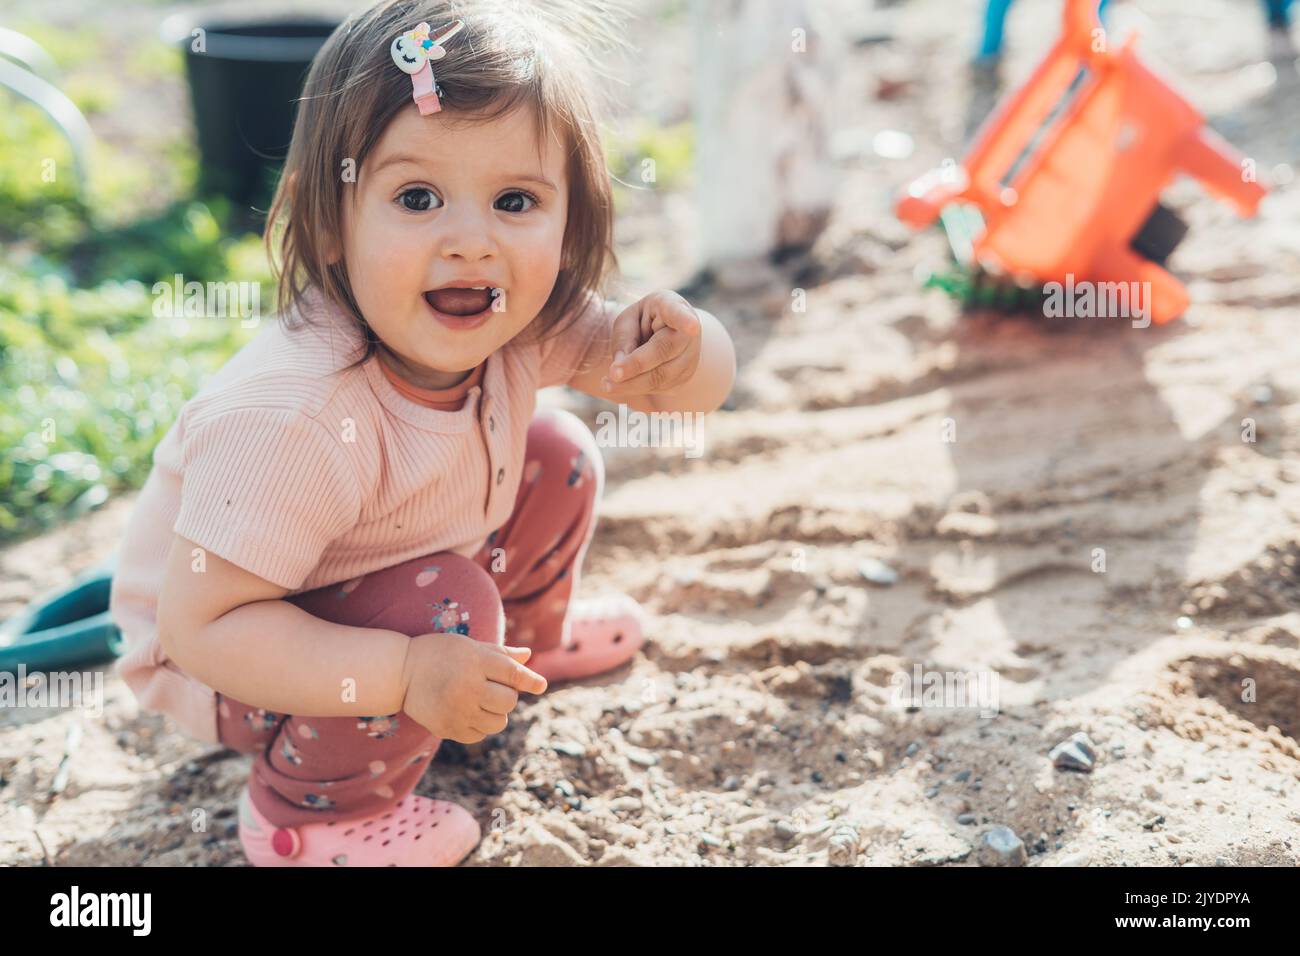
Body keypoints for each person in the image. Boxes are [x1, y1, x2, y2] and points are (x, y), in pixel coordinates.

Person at [108, 0, 737, 867]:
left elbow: (687, 396)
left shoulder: (521, 319)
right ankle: (307, 816)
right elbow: (201, 630)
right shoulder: (295, 418)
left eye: (515, 200)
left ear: (571, 222)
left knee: (558, 456)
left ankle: (518, 654)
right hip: (233, 660)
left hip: (376, 583)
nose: (471, 242)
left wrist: (690, 349)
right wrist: (406, 672)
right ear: (331, 220)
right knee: (448, 605)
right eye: (417, 197)